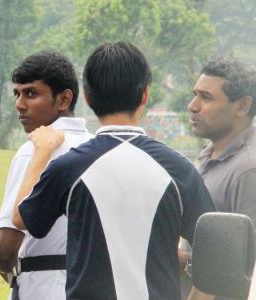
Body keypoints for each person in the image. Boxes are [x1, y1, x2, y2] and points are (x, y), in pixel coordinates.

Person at [11, 42, 215, 300]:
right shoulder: (178, 169)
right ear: (145, 95)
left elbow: (21, 218)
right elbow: (218, 248)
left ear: (86, 96)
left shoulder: (69, 167)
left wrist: (40, 153)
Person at [0, 52, 92, 300]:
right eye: (17, 94)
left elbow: (4, 252)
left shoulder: (33, 153)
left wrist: (4, 265)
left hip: (43, 288)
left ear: (64, 99)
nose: (19, 104)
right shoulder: (96, 148)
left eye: (31, 93)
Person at [184, 57, 256, 300]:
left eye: (206, 97)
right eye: (195, 95)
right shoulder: (207, 156)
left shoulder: (249, 168)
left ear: (242, 106)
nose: (192, 106)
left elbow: (244, 264)